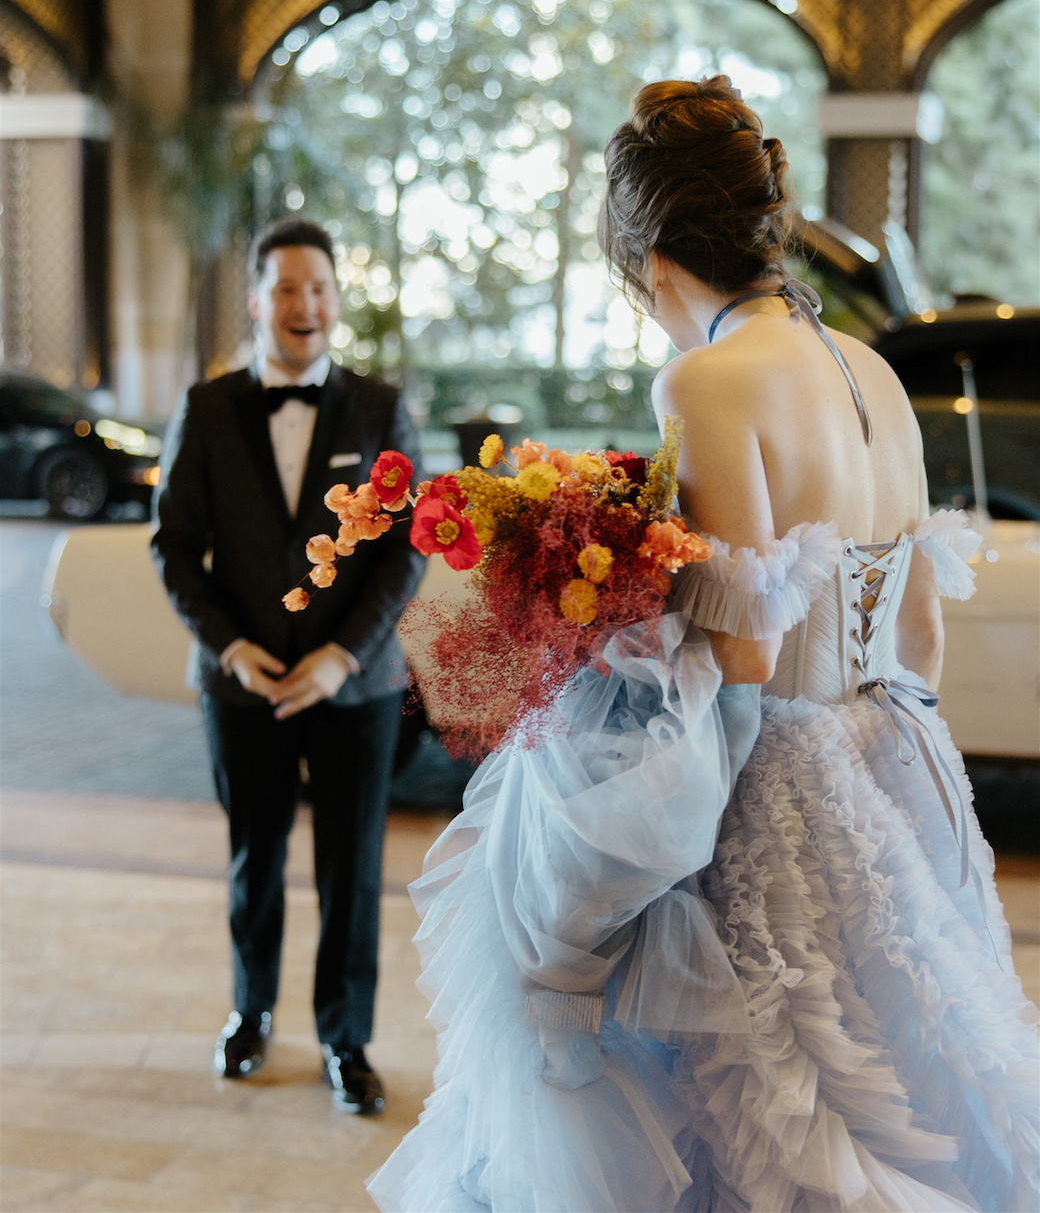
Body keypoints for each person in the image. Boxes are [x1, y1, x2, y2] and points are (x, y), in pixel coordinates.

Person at [367, 78, 1038, 1209]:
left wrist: (600, 626)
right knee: (911, 1067)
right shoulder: (873, 371)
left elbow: (742, 658)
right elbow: (918, 627)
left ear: (652, 259)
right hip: (896, 763)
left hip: (765, 782)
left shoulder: (703, 376)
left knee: (743, 1107)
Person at [152, 217, 425, 1114]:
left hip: (357, 685)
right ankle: (250, 1013)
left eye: (318, 287)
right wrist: (230, 647)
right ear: (256, 298)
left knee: (352, 868)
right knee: (252, 857)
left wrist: (346, 657)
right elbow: (174, 547)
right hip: (243, 683)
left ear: (336, 300)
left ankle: (347, 1043)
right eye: (285, 288)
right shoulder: (207, 406)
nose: (303, 304)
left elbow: (404, 553)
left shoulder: (382, 407)